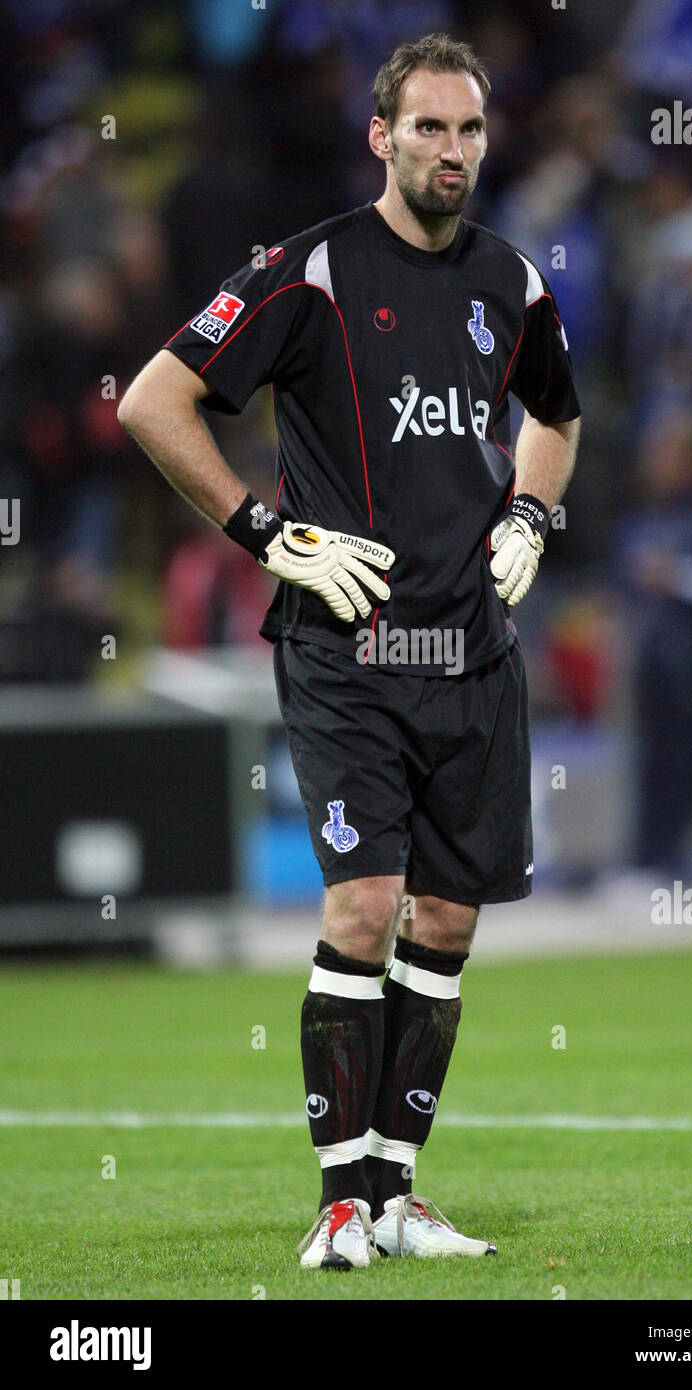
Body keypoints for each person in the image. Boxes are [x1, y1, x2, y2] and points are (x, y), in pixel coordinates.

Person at [118, 32, 581, 1269]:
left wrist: (531, 515)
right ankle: (335, 1202)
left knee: (445, 923)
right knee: (364, 903)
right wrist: (265, 535)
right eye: (427, 128)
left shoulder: (511, 281)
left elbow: (555, 416)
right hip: (349, 648)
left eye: (469, 131)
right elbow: (152, 399)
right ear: (380, 137)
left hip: (474, 652)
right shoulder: (308, 270)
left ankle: (394, 1193)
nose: (451, 151)